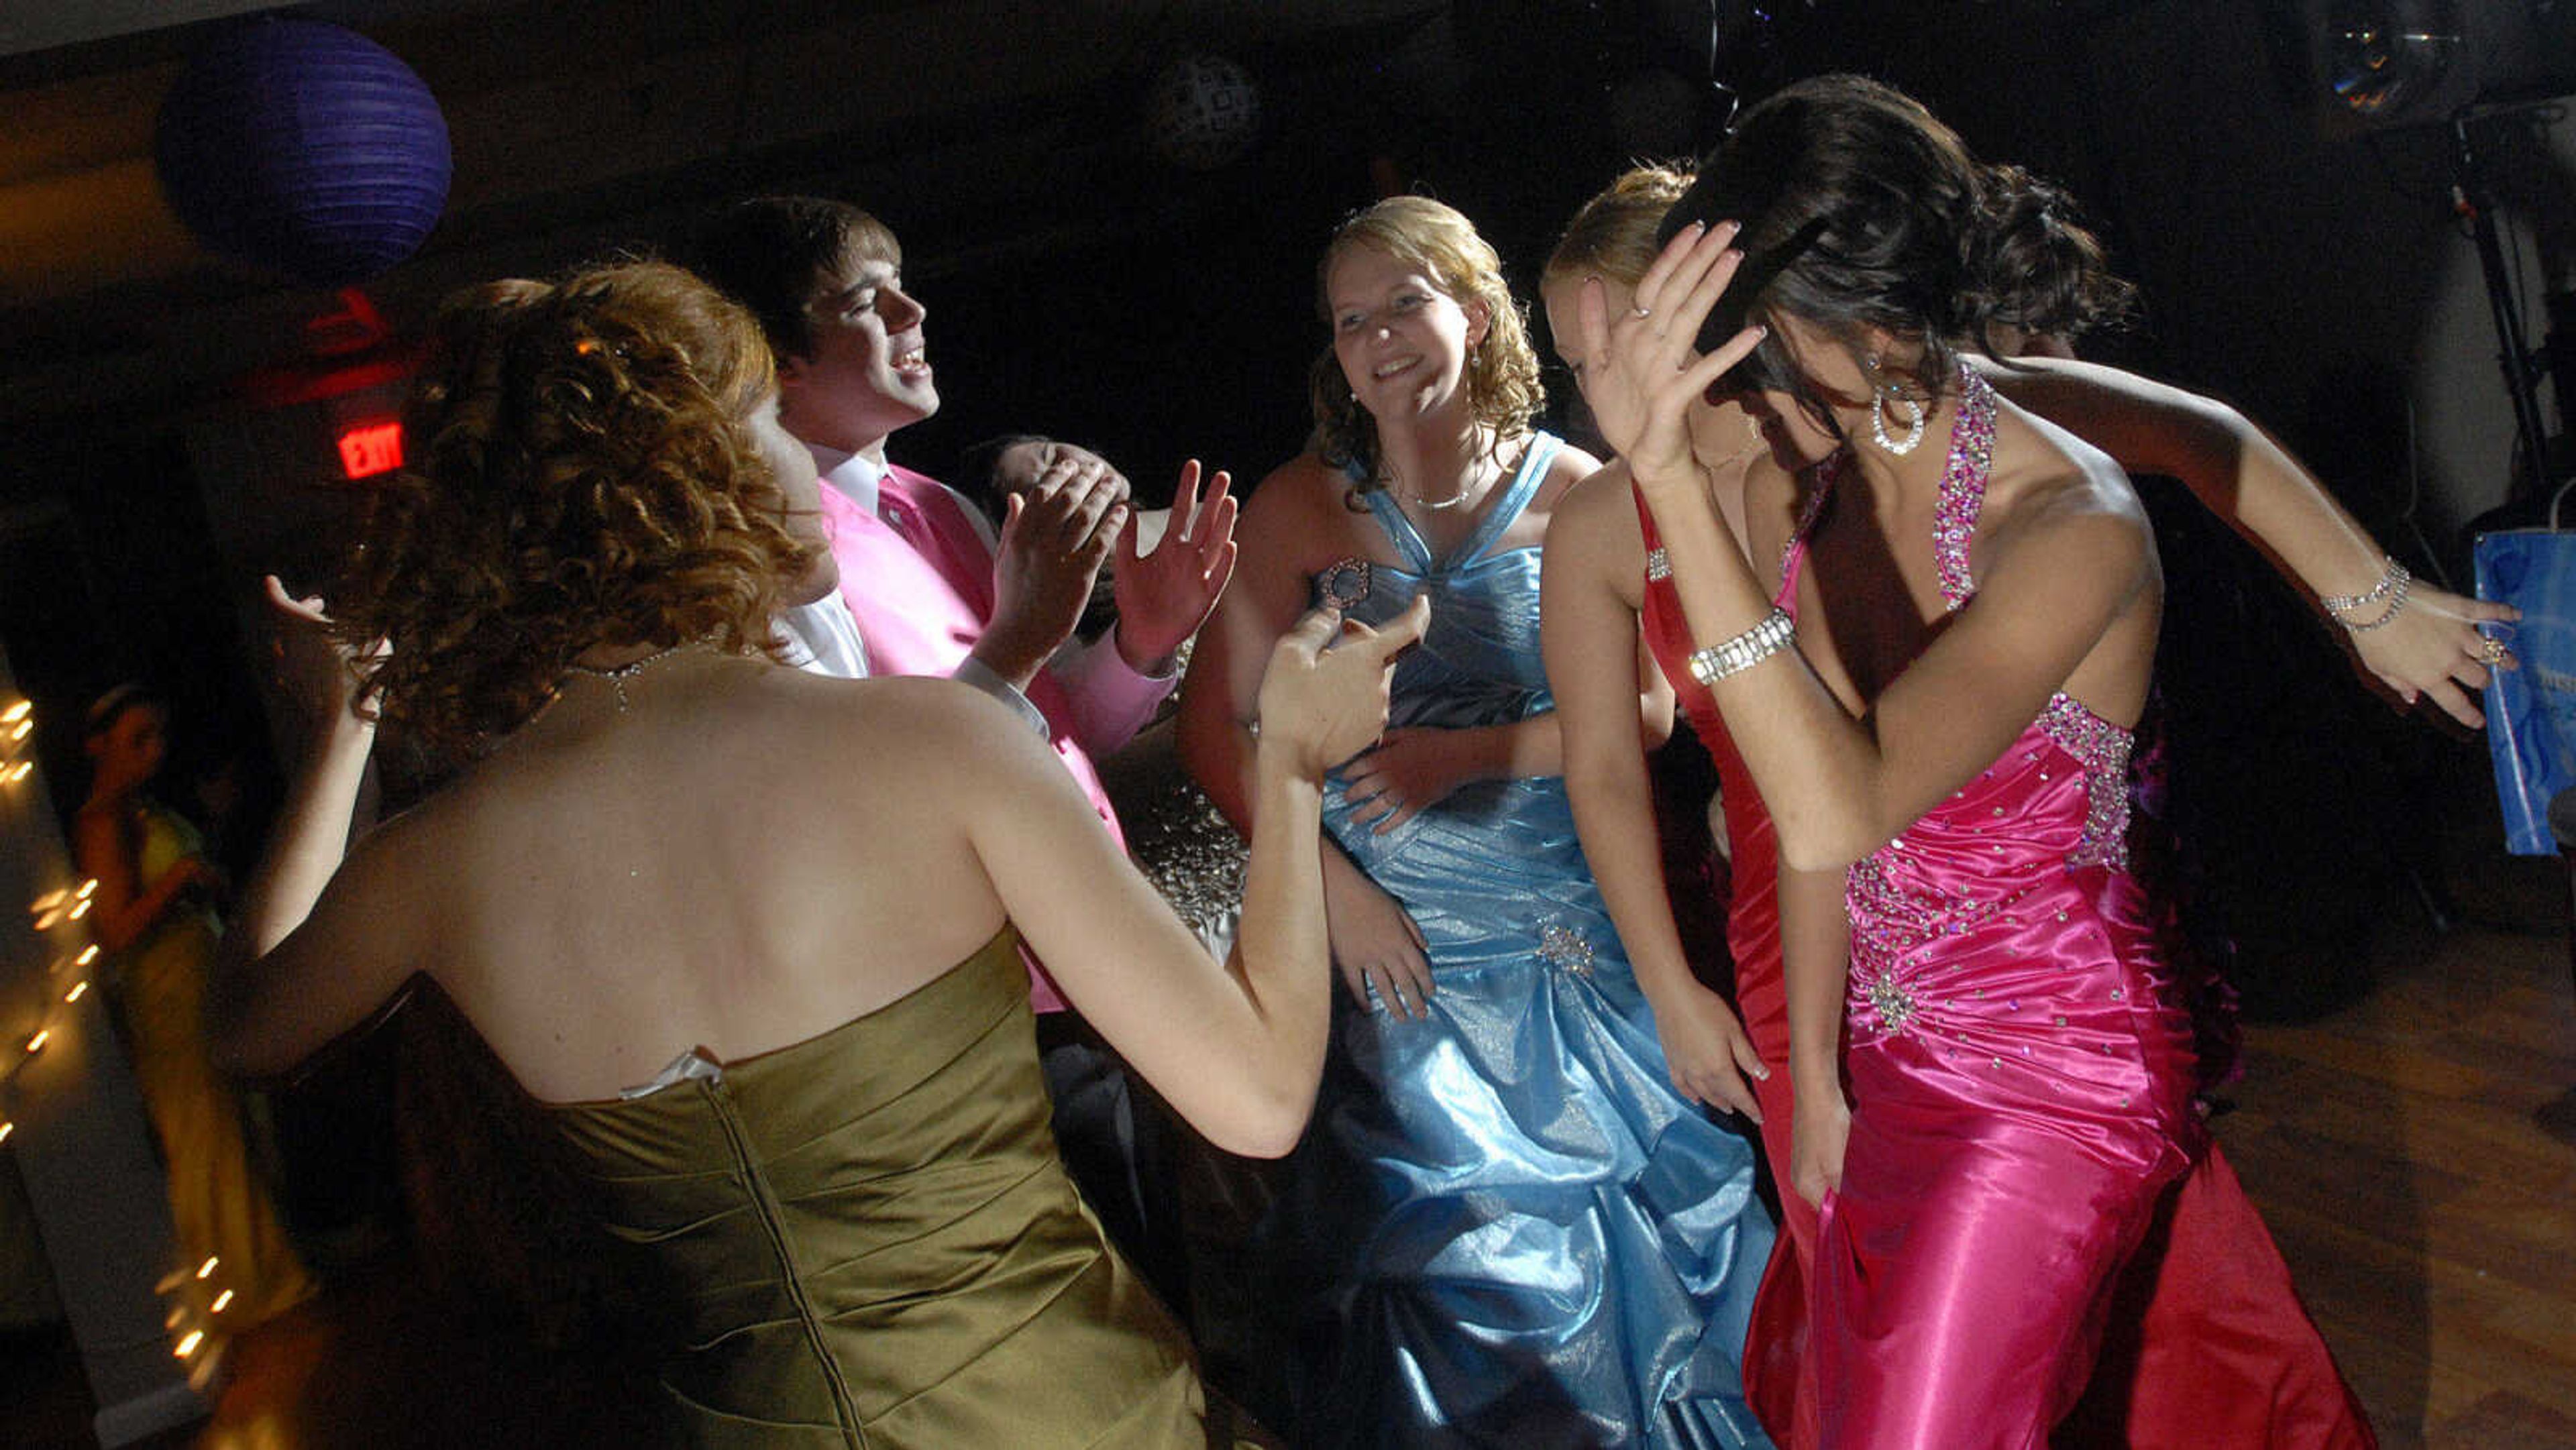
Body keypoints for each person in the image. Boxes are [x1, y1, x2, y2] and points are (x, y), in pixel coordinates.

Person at [204, 261, 1423, 1448]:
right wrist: (1292, 763)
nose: (802, 462)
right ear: (698, 481)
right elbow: (1258, 1100)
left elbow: (249, 1028)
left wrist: (340, 730)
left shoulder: (433, 863)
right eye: (771, 427)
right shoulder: (938, 738)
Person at [1569, 76, 2472, 1447]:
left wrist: (1676, 488)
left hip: (2055, 1065)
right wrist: (1811, 1067)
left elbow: (1836, 805)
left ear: (1847, 320)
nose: (1734, 372)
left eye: (1748, 332)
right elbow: (1820, 796)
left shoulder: (2072, 522)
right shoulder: (1844, 448)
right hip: (1886, 1039)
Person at [1177, 195, 1774, 1447]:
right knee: (1448, 1253)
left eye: (1406, 302)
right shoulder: (1297, 504)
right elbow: (1220, 735)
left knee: (1645, 1230)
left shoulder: (1579, 488)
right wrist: (1336, 900)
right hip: (1383, 935)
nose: (1381, 339)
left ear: (1476, 309)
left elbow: (1651, 716)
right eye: (1352, 320)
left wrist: (1466, 753)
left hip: (1562, 908)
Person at [692, 197, 1238, 1311]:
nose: (912, 308)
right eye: (863, 299)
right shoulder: (772, 563)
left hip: (1083, 965)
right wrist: (1016, 641)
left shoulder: (934, 503)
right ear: (776, 364)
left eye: (903, 279)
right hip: (972, 1016)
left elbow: (1040, 737)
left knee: (1164, 1295)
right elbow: (872, 809)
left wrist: (1140, 638)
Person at [75, 685, 315, 1333]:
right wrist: (183, 878)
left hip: (201, 974)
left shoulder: (144, 807)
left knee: (238, 1119)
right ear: (99, 745)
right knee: (206, 1135)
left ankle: (269, 1266)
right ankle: (246, 1288)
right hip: (167, 994)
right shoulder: (102, 820)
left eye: (157, 737)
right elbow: (116, 929)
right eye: (137, 739)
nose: (152, 752)